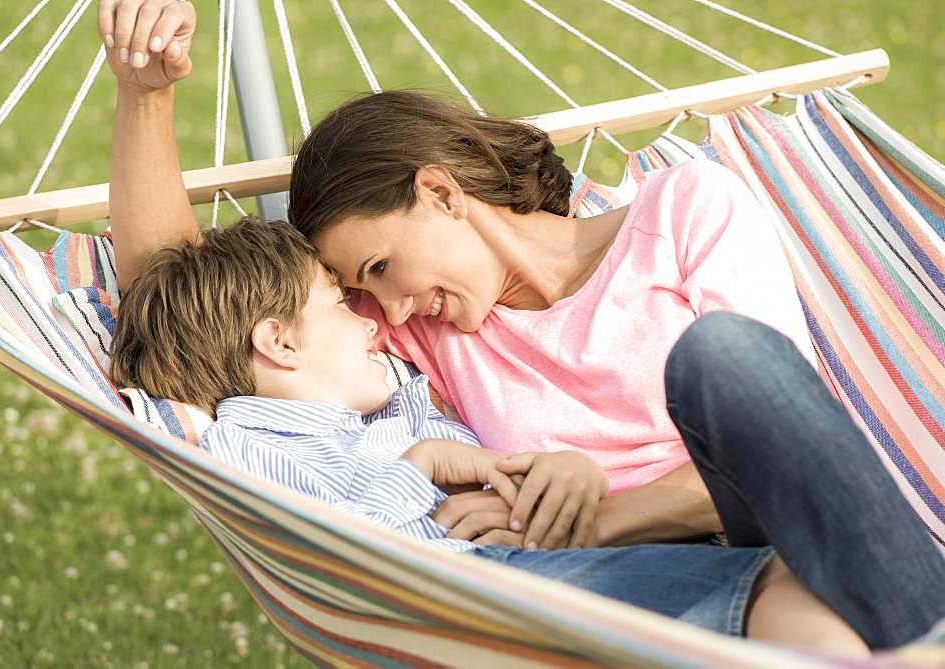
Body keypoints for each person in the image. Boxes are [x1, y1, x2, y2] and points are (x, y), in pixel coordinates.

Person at [98, 0, 944, 651]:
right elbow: (187, 305)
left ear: (439, 193)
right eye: (360, 291)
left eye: (382, 269)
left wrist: (605, 510)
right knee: (801, 599)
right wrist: (146, 92)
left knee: (719, 357)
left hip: (787, 517)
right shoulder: (425, 337)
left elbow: (786, 434)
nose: (384, 309)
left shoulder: (690, 209)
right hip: (693, 582)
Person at [108, 215, 866, 652]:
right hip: (478, 598)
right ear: (278, 342)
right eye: (341, 303)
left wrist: (563, 473)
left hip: (548, 559)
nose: (373, 324)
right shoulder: (249, 440)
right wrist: (417, 463)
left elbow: (497, 466)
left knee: (790, 583)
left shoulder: (398, 393)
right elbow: (332, 557)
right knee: (776, 593)